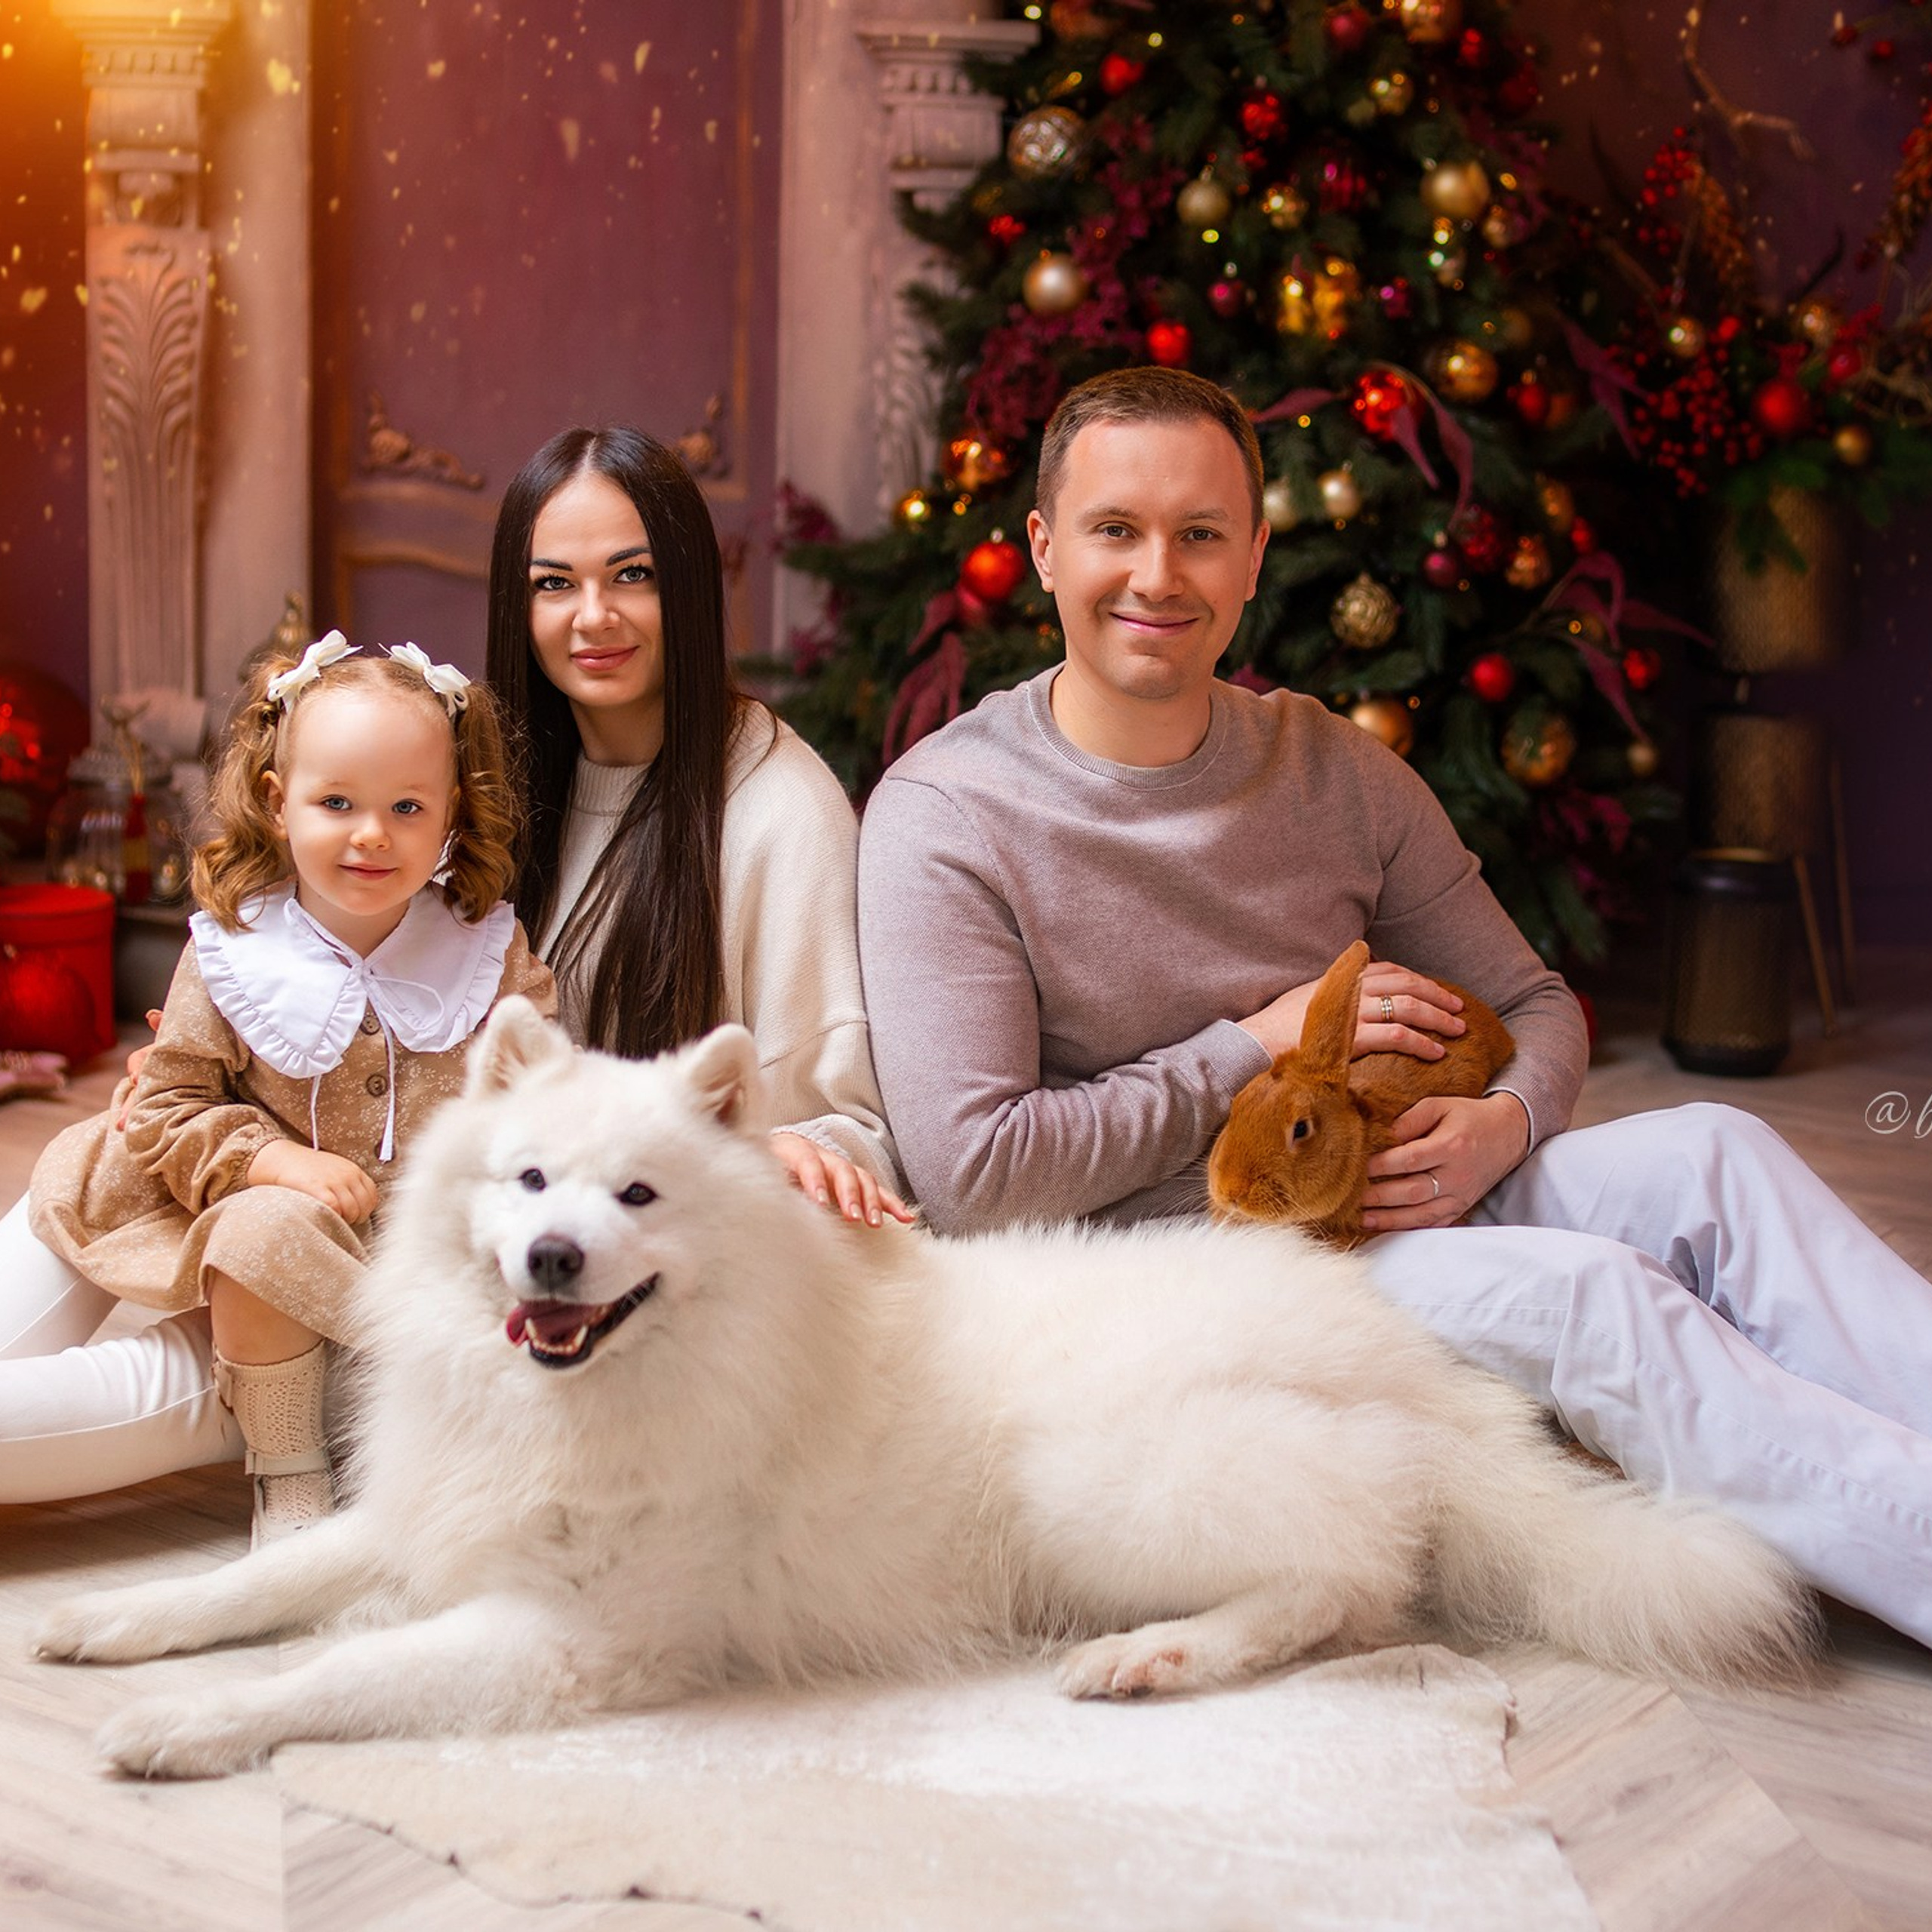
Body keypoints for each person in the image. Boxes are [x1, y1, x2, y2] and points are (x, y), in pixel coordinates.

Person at [857, 365, 1932, 1648]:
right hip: (1200, 1262)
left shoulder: (1331, 769)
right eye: (1115, 530)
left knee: (1720, 1152)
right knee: (1596, 1301)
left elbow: (1536, 1002)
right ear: (1043, 548)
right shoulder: (948, 816)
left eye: (1201, 534)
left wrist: (1504, 1126)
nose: (1158, 575)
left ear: (1254, 559)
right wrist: (1254, 1043)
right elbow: (975, 1176)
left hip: (1398, 1188)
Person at [3, 635, 555, 1542]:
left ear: (451, 814)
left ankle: (299, 1456)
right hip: (242, 1232)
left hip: (402, 1267)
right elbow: (170, 1105)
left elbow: (546, 1105)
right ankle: (286, 1466)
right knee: (264, 1221)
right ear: (277, 802)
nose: (371, 833)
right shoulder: (237, 948)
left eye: (407, 806)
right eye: (336, 802)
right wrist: (272, 1160)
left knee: (265, 1249)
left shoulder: (486, 954)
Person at [483, 423, 905, 1220]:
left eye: (632, 575)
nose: (593, 616)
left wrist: (783, 1149)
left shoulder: (782, 810)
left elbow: (849, 1132)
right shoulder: (491, 793)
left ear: (687, 587)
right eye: (554, 584)